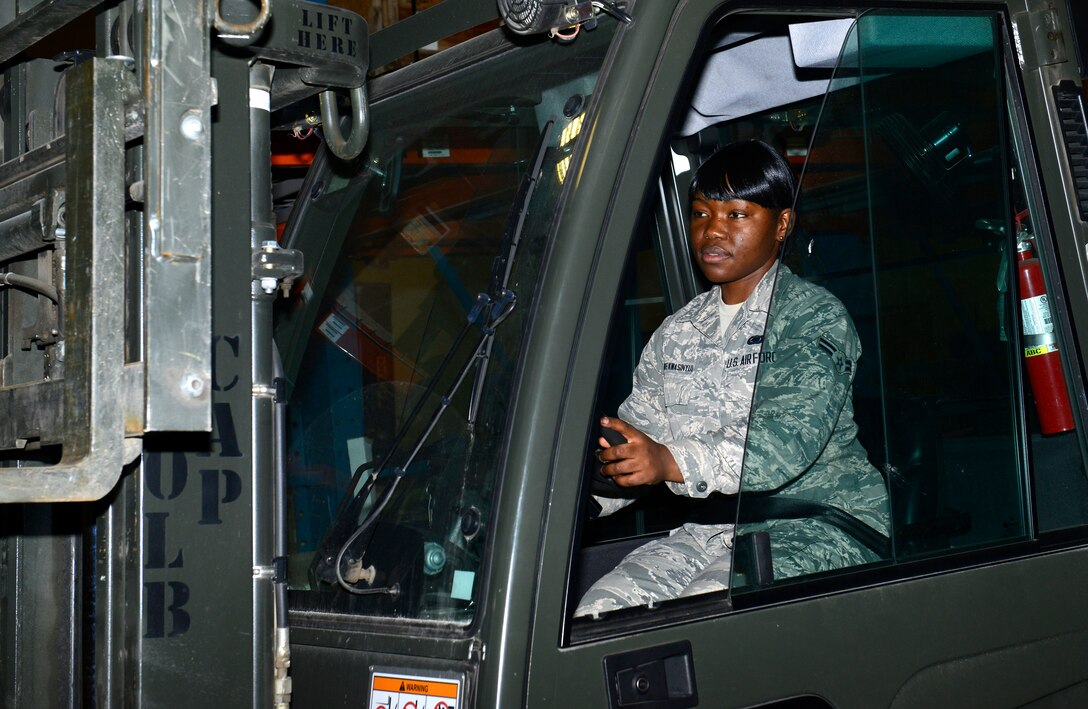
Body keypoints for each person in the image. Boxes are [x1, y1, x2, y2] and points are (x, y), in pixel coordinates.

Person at [576, 140, 889, 617]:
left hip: (817, 522)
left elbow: (784, 440)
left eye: (736, 215)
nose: (713, 231)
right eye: (701, 214)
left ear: (781, 224)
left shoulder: (812, 317)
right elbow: (641, 439)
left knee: (707, 612)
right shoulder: (677, 332)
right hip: (708, 531)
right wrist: (583, 495)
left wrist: (667, 460)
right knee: (600, 612)